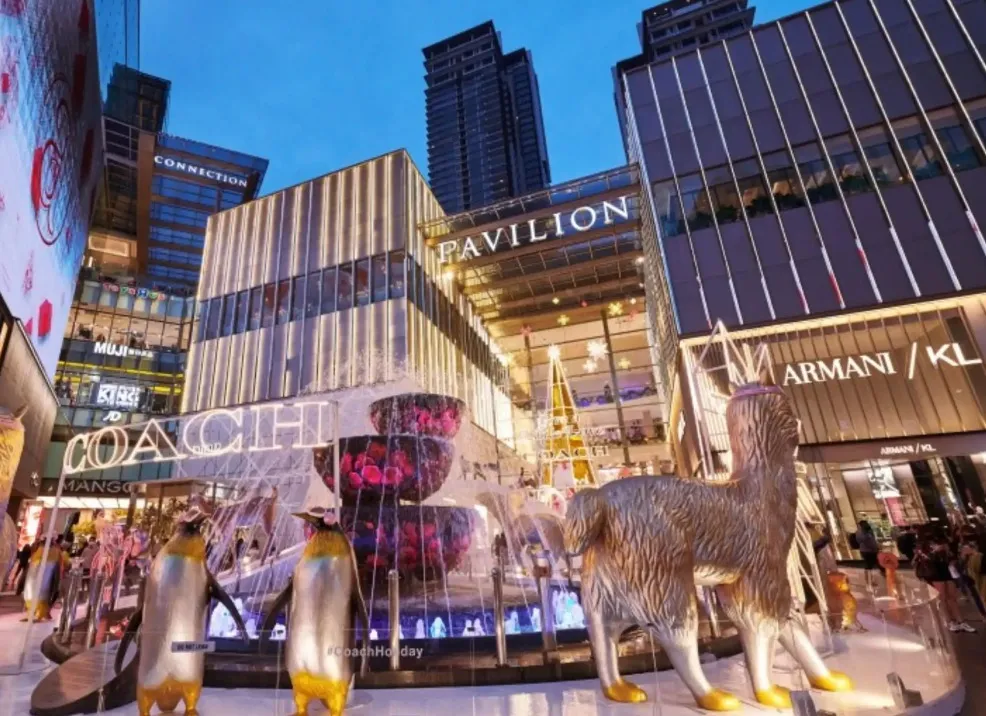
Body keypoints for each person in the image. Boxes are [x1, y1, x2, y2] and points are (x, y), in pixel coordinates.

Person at [914, 531, 975, 633]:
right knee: (943, 598)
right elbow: (925, 560)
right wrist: (935, 551)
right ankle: (950, 622)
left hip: (947, 571)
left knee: (952, 598)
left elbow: (952, 559)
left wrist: (950, 553)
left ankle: (961, 621)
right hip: (935, 573)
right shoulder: (924, 546)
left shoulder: (944, 544)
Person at [855, 520, 882, 587]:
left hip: (872, 550)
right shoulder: (860, 533)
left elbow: (873, 540)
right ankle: (869, 581)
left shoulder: (869, 531)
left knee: (878, 564)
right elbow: (862, 540)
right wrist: (865, 533)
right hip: (866, 551)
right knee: (868, 566)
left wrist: (876, 547)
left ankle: (872, 580)